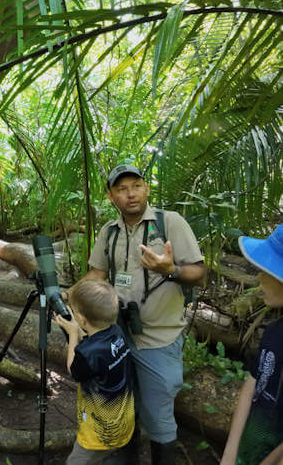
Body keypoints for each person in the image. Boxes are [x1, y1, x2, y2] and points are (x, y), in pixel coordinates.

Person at [63, 164, 206, 464]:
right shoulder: (109, 231)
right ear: (111, 196)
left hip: (159, 340)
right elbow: (98, 273)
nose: (131, 194)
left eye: (136, 186)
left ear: (147, 188)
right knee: (124, 410)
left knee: (159, 419)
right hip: (118, 337)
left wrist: (171, 270)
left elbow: (199, 273)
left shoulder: (171, 223)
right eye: (122, 189)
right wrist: (69, 296)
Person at [221, 223, 283, 465]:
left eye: (267, 270)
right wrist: (230, 452)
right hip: (248, 449)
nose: (259, 276)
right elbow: (254, 381)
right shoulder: (274, 331)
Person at [54, 279, 135, 465]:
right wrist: (77, 328)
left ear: (82, 319)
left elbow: (74, 370)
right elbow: (96, 341)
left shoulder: (87, 353)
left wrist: (73, 334)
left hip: (99, 435)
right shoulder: (117, 332)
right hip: (123, 424)